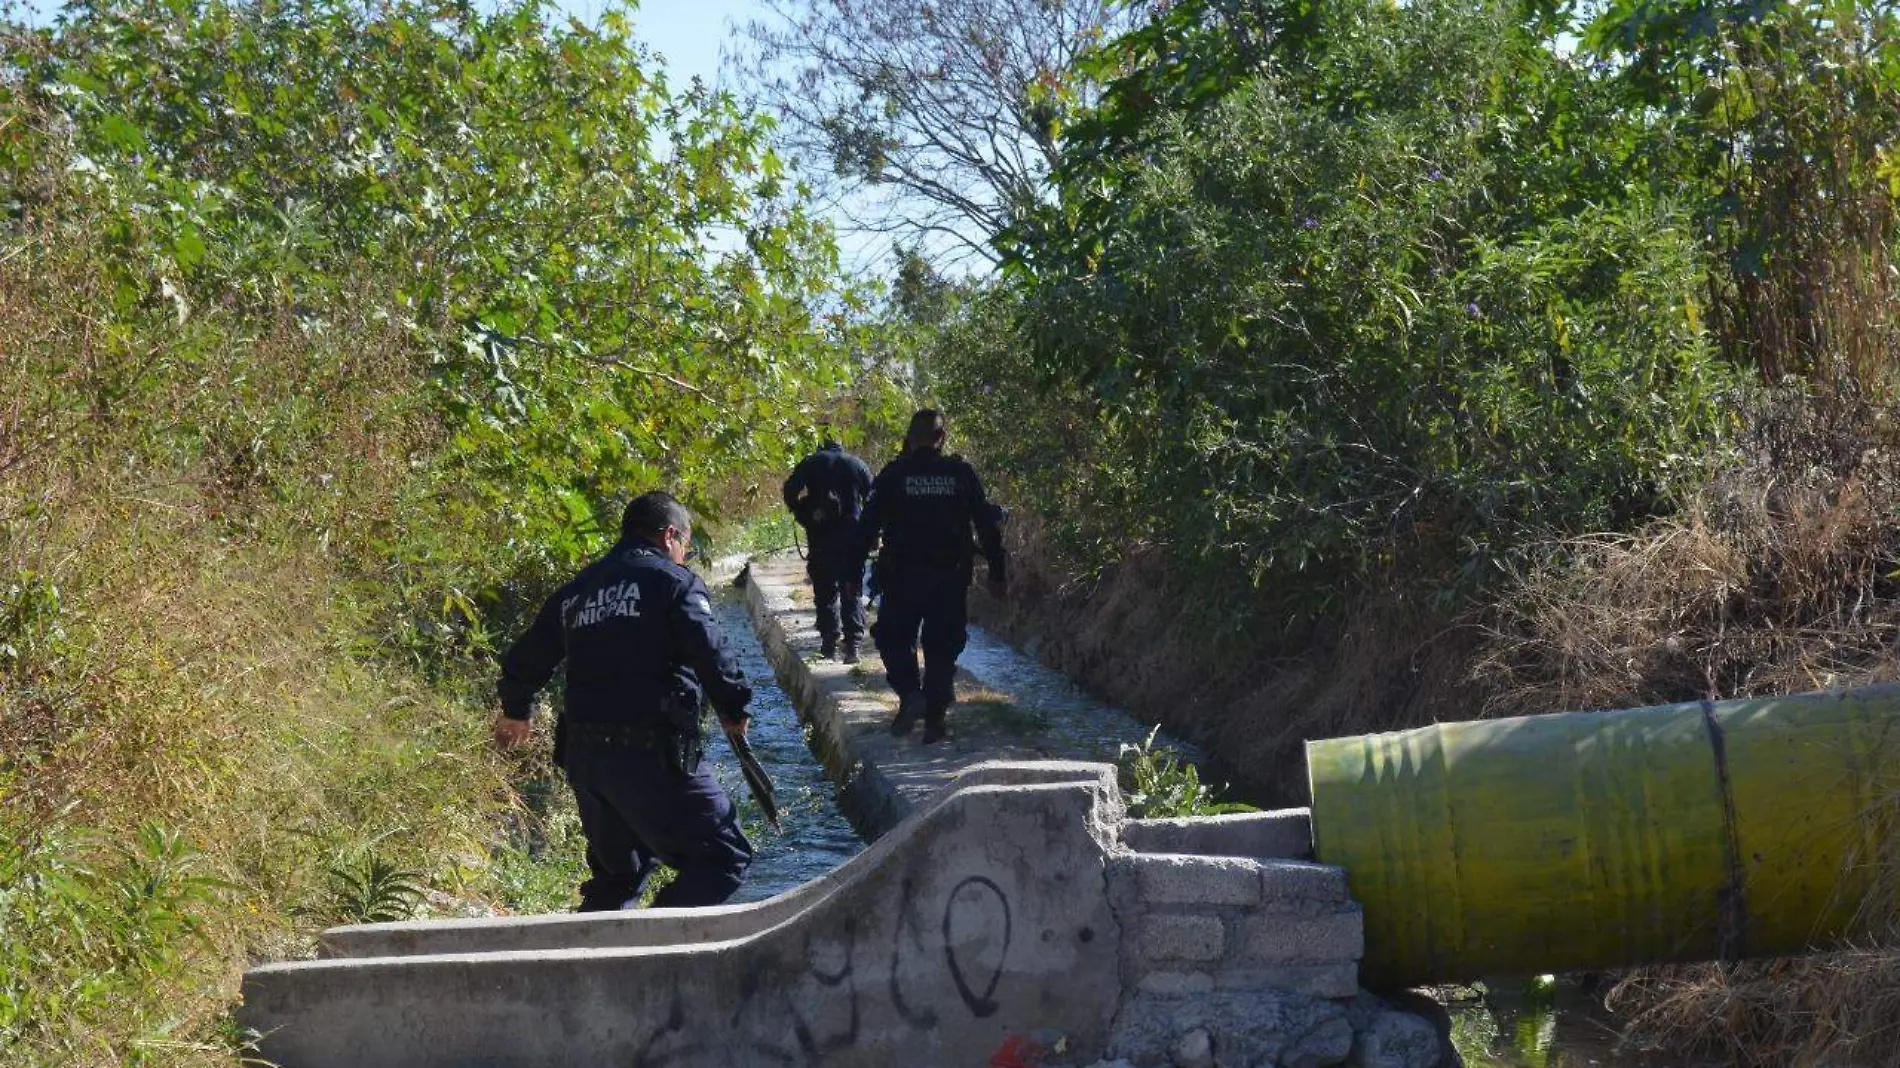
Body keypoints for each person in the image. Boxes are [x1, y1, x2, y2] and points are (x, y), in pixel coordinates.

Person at [493, 491, 754, 911]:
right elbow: (710, 651)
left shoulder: (577, 591)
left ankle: (588, 968)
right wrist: (734, 707)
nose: (683, 555)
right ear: (671, 535)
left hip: (586, 759)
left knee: (619, 877)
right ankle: (656, 956)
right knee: (724, 858)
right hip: (652, 754)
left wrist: (516, 710)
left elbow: (527, 657)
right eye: (685, 545)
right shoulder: (674, 582)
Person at [859, 409, 1007, 744]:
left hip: (902, 577)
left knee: (894, 639)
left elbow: (866, 528)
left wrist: (853, 571)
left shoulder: (894, 474)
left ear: (910, 438)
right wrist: (997, 571)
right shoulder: (961, 474)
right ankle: (936, 720)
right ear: (941, 438)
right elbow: (986, 525)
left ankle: (911, 696)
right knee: (942, 644)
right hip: (949, 578)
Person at [782, 433, 873, 662]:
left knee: (825, 592)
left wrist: (803, 513)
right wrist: (873, 533)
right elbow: (873, 500)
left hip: (821, 536)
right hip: (851, 539)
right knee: (851, 590)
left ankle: (828, 644)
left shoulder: (812, 462)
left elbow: (790, 491)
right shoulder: (857, 464)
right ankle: (852, 647)